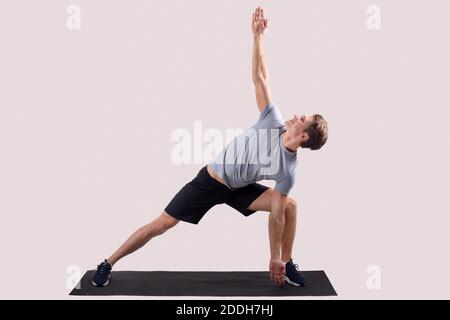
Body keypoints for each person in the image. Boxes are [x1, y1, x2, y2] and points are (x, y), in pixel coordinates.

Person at [92, 6, 328, 288]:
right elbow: (260, 78)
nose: (298, 115)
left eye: (304, 119)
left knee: (290, 206)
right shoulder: (271, 120)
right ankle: (107, 263)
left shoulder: (288, 171)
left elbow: (277, 215)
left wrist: (274, 256)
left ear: (304, 137)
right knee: (162, 224)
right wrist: (257, 37)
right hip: (211, 180)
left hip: (240, 189)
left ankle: (287, 264)